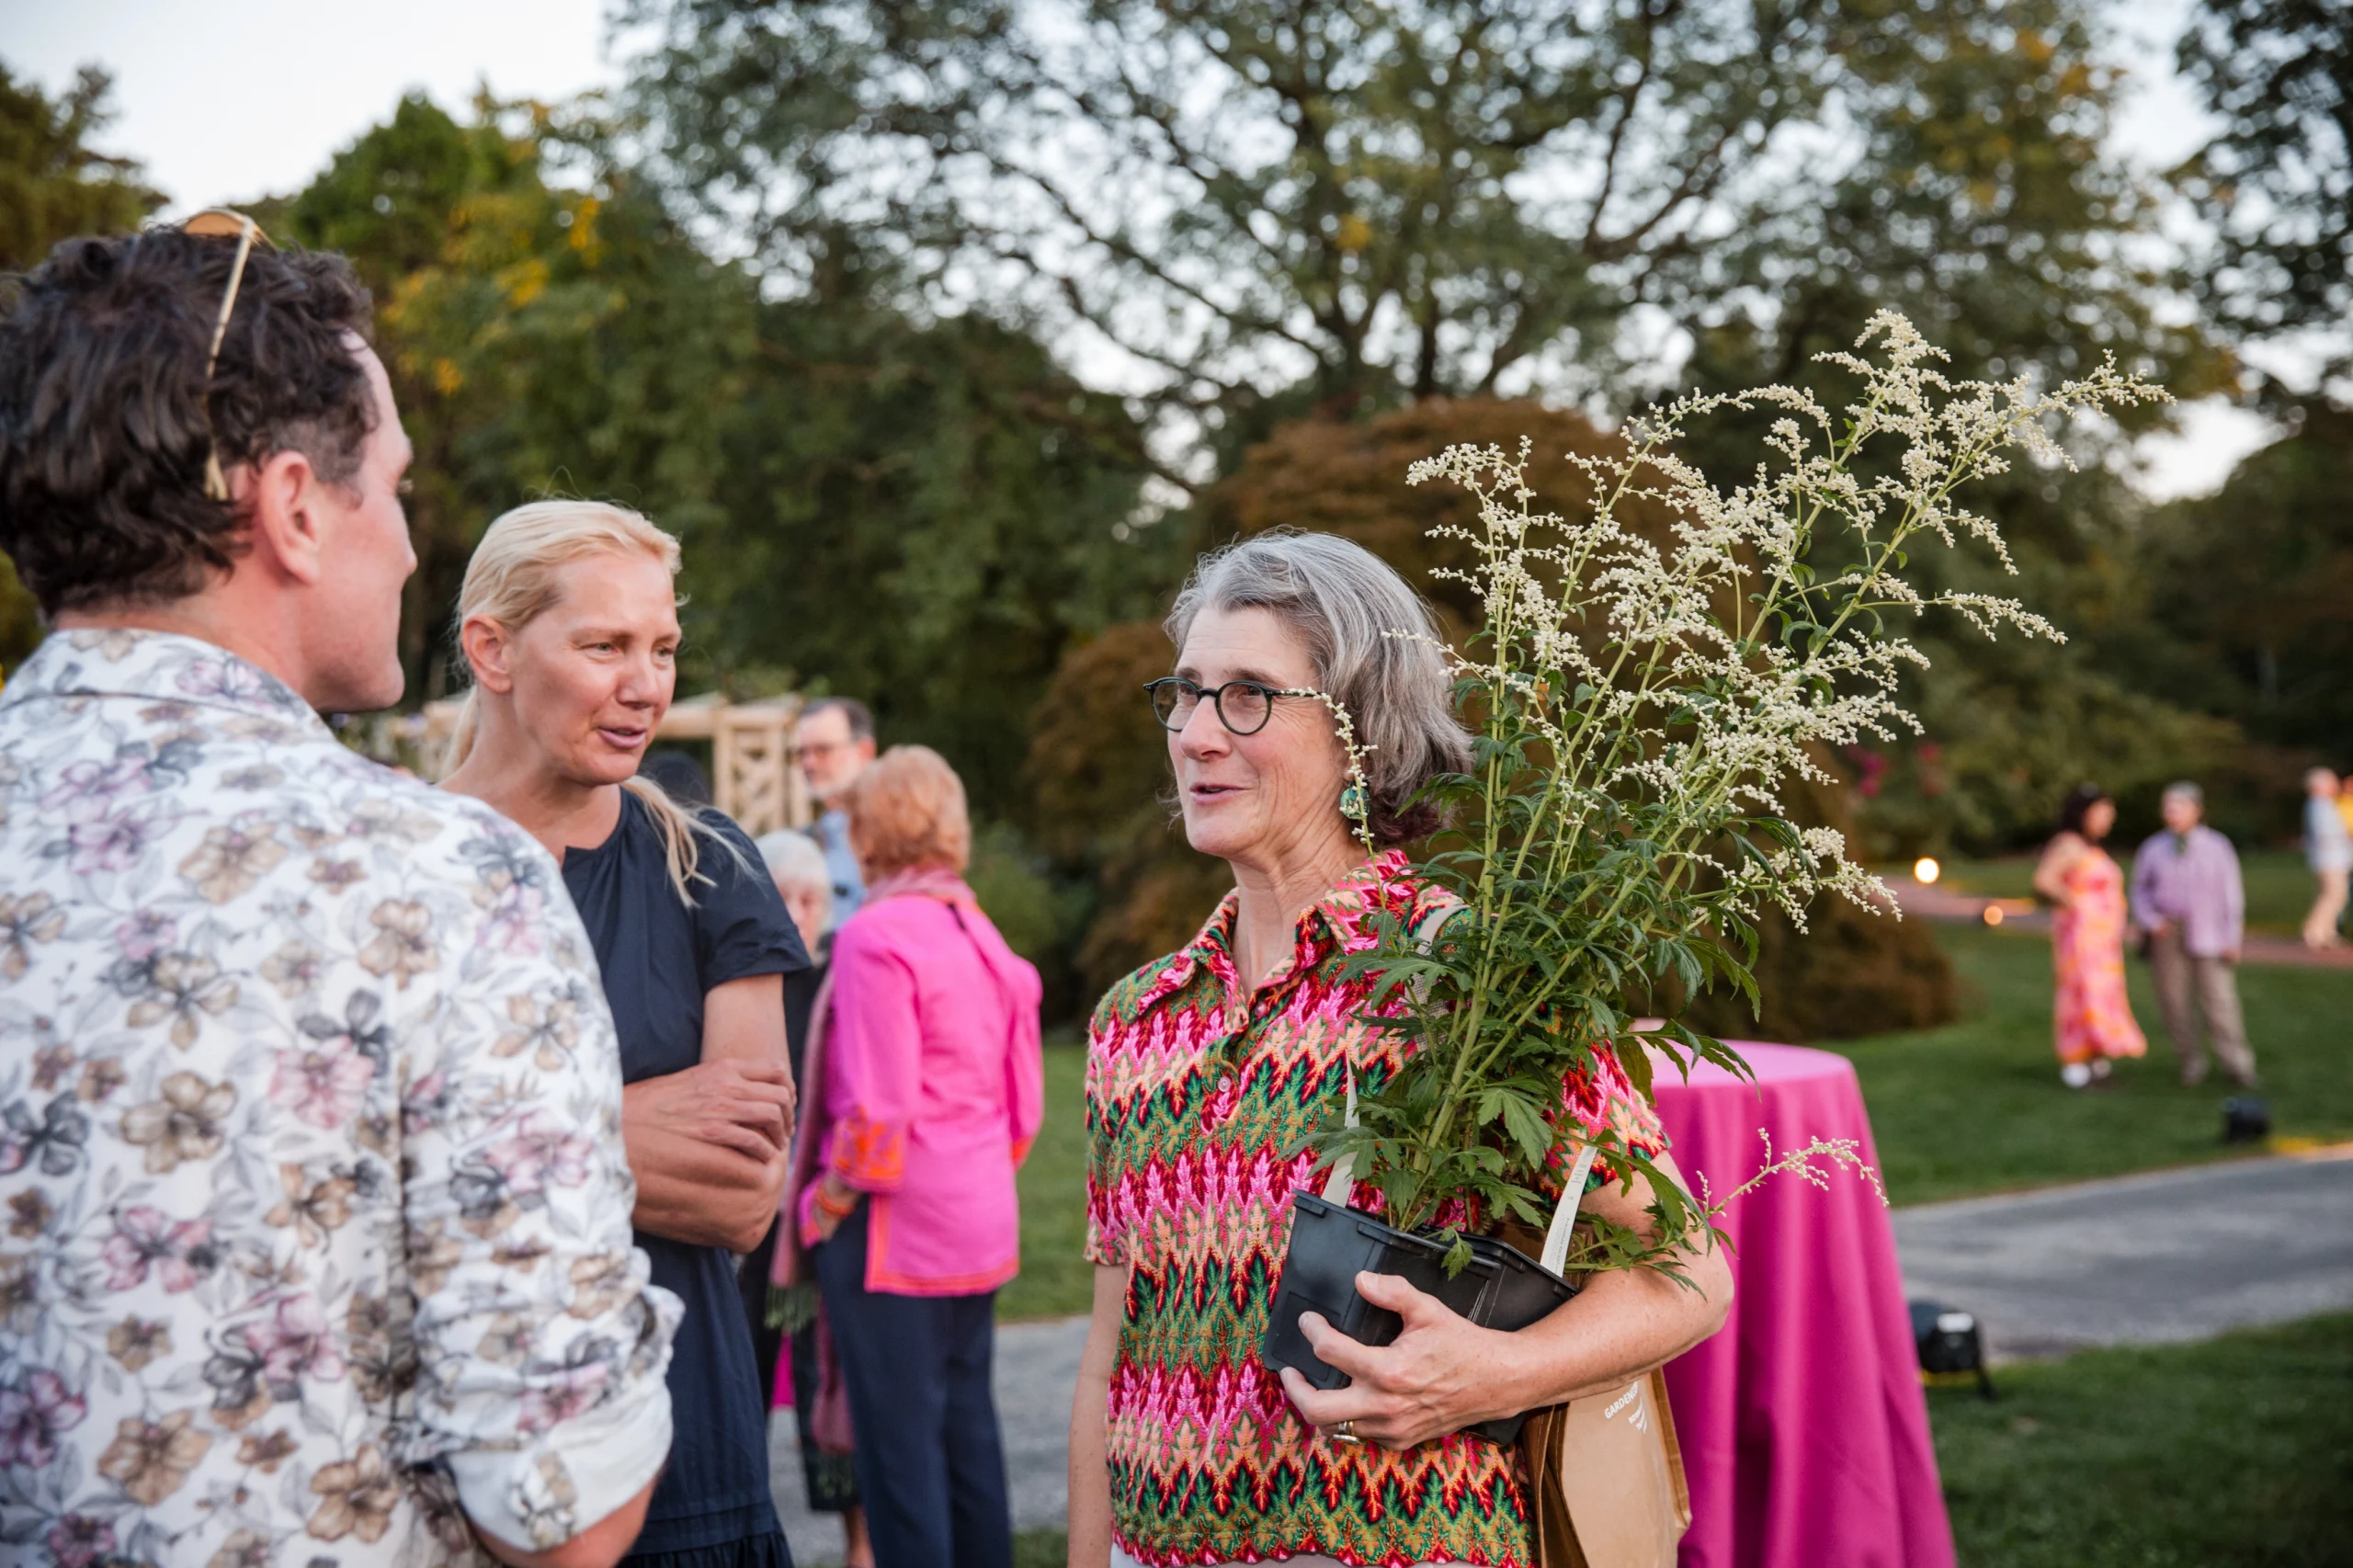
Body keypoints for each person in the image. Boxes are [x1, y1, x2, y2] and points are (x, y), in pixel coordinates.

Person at [0, 219, 674, 1565]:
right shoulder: (441, 878)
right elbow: (565, 1508)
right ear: (296, 508)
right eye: (398, 488)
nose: (412, 548)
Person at [1067, 532, 1733, 1568]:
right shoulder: (1137, 1018)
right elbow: (1112, 1361)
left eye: (1247, 696)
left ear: (1361, 734)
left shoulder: (1470, 982)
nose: (1195, 733)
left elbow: (1691, 1267)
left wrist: (1496, 1374)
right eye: (1186, 692)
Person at [439, 500, 809, 1568]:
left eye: (662, 648)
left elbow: (741, 1191)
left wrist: (478, 1143)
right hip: (463, 1466)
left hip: (683, 1450)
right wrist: (627, 1128)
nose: (646, 684)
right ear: (492, 649)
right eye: (605, 646)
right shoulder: (398, 869)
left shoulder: (705, 863)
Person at [791, 745, 1043, 1568]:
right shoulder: (983, 933)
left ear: (872, 831)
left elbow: (879, 1111)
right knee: (968, 1436)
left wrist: (825, 1202)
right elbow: (1025, 1109)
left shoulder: (874, 935)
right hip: (978, 1220)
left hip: (891, 1231)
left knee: (899, 1460)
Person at [747, 830, 872, 1568]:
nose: (797, 914)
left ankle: (859, 1543)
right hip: (750, 1214)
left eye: (811, 900)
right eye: (783, 898)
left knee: (830, 1380)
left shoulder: (841, 978)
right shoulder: (742, 976)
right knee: (742, 1370)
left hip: (821, 1212)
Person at [2131, 781, 2256, 1087]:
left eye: (2178, 807)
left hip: (2210, 934)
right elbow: (2140, 890)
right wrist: (2151, 920)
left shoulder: (2217, 847)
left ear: (2197, 810)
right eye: (2167, 807)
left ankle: (2237, 1064)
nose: (2171, 813)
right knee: (2173, 1002)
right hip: (2167, 934)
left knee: (2220, 1001)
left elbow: (2231, 895)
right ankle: (2190, 1061)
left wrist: (2232, 938)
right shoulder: (2153, 848)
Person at [2032, 784, 2148, 1088]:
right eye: (2102, 813)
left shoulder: (2090, 847)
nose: (2109, 819)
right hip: (2081, 941)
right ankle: (2075, 1061)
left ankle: (2096, 1057)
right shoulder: (2069, 845)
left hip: (2102, 944)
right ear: (2084, 814)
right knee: (2080, 994)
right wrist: (2077, 903)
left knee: (2101, 996)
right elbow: (2044, 881)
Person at [796, 697, 879, 926]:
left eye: (822, 750)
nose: (809, 763)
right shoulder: (806, 841)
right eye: (802, 753)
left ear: (865, 751)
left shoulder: (899, 838)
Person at [2300, 767, 2349, 949]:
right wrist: (2346, 834)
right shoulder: (2319, 804)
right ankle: (2314, 931)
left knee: (2330, 895)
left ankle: (2326, 932)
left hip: (2330, 858)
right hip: (2329, 859)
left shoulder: (2323, 804)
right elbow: (2325, 833)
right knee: (2334, 895)